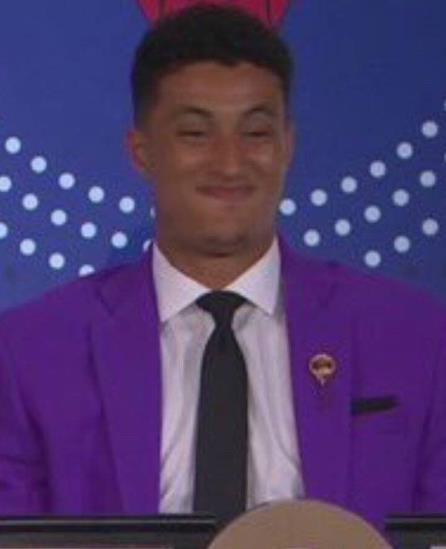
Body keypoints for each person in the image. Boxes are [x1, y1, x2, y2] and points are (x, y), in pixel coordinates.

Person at [0, 4, 446, 533]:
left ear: (288, 146)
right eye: (195, 133)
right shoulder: (31, 351)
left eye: (256, 133)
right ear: (141, 152)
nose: (230, 163)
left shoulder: (415, 335)